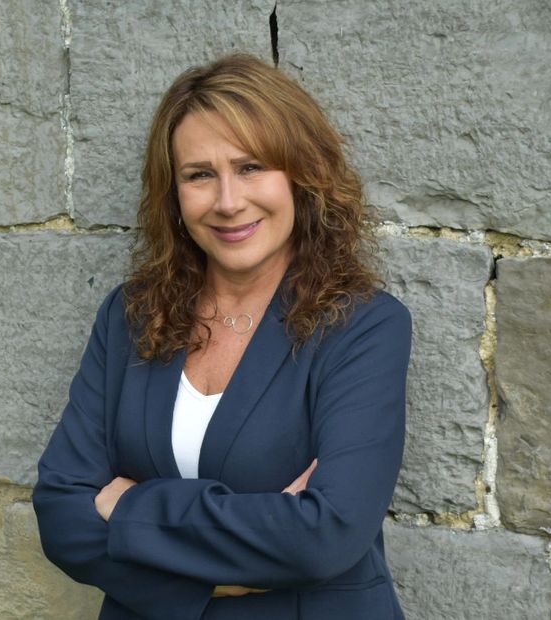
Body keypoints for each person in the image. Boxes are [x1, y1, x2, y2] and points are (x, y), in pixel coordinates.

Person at [33, 54, 412, 619]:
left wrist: (125, 505)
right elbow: (62, 514)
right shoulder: (132, 315)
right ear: (174, 195)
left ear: (301, 176)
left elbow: (325, 535)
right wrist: (209, 581)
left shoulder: (362, 325)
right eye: (199, 175)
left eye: (253, 166)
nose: (229, 201)